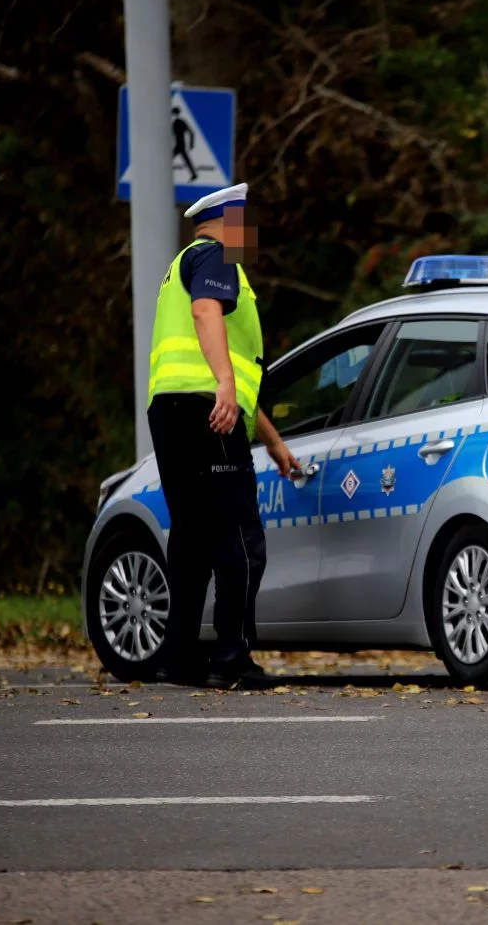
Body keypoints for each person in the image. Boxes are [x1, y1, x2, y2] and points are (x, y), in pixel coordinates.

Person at [146, 182, 298, 688]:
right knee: (238, 534)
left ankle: (179, 656)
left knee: (189, 535)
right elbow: (206, 314)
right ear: (229, 223)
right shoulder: (216, 258)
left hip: (170, 410)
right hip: (207, 410)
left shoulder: (180, 266)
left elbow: (229, 356)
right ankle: (232, 656)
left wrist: (271, 439)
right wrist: (225, 386)